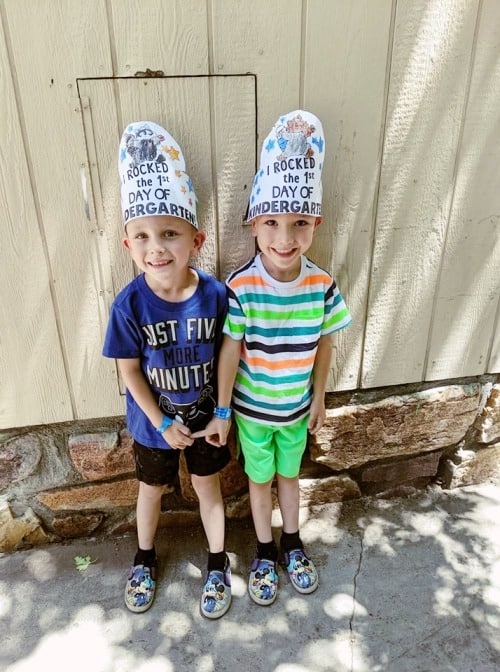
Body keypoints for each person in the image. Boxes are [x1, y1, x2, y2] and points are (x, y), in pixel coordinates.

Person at [204, 110, 352, 605]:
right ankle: (264, 550)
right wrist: (223, 409)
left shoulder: (322, 284)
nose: (284, 238)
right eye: (271, 223)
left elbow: (326, 340)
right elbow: (230, 348)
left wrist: (319, 396)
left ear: (316, 224)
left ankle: (291, 541)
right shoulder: (241, 285)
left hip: (293, 409)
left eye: (299, 224)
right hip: (251, 411)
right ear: (252, 224)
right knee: (259, 479)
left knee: (291, 477)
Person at [102, 121, 231, 619]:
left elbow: (226, 354)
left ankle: (218, 563)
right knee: (150, 488)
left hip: (206, 422)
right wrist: (158, 421)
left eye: (170, 234)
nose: (157, 248)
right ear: (127, 244)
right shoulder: (129, 305)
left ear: (195, 239)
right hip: (154, 426)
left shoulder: (216, 296)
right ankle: (144, 558)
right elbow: (130, 370)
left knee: (206, 487)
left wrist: (221, 412)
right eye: (143, 236)